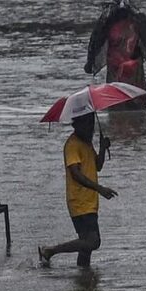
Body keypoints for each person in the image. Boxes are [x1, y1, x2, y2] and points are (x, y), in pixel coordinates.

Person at [39, 113, 118, 267]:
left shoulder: (87, 142)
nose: (90, 129)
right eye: (87, 125)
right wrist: (100, 188)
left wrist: (102, 148)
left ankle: (84, 279)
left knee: (86, 247)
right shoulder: (72, 145)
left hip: (90, 200)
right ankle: (50, 251)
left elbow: (97, 166)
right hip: (79, 201)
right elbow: (76, 174)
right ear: (77, 126)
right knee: (93, 242)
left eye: (91, 125)